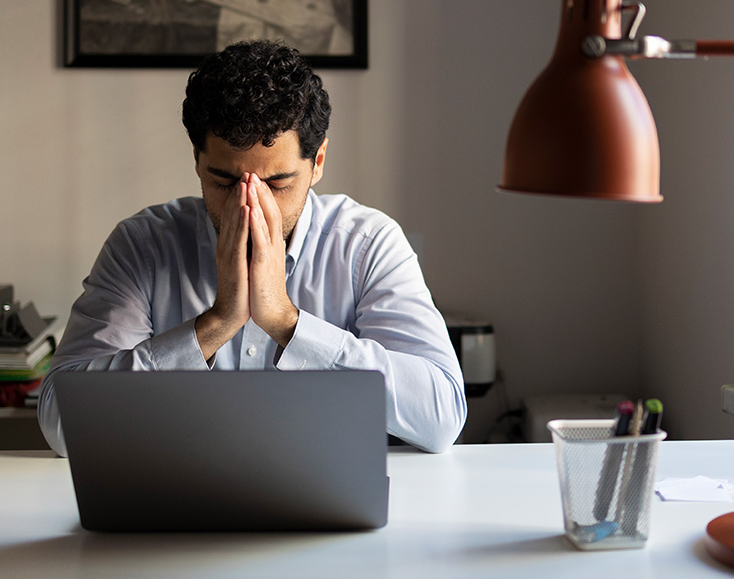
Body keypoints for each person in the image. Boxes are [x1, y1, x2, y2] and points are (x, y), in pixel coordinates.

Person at [37, 40, 467, 455]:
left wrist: (285, 322)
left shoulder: (366, 245)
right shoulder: (143, 245)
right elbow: (60, 423)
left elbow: (441, 415)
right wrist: (218, 322)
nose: (249, 205)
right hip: (176, 499)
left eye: (278, 183)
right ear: (197, 160)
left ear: (317, 163)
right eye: (224, 181)